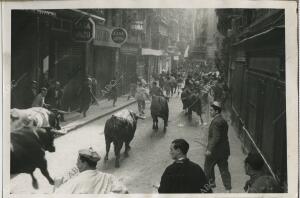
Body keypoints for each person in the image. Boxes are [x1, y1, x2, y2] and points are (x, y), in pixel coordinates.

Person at [54, 147, 128, 194]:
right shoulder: (109, 177)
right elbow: (124, 192)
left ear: (85, 163)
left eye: (78, 161)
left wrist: (57, 186)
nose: (76, 164)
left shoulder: (74, 182)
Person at [204, 101, 232, 192]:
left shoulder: (216, 122)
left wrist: (209, 149)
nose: (210, 112)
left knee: (208, 167)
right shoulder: (223, 120)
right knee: (224, 170)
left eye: (211, 110)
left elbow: (216, 137)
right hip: (224, 151)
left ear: (217, 111)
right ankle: (228, 189)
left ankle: (210, 185)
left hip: (215, 152)